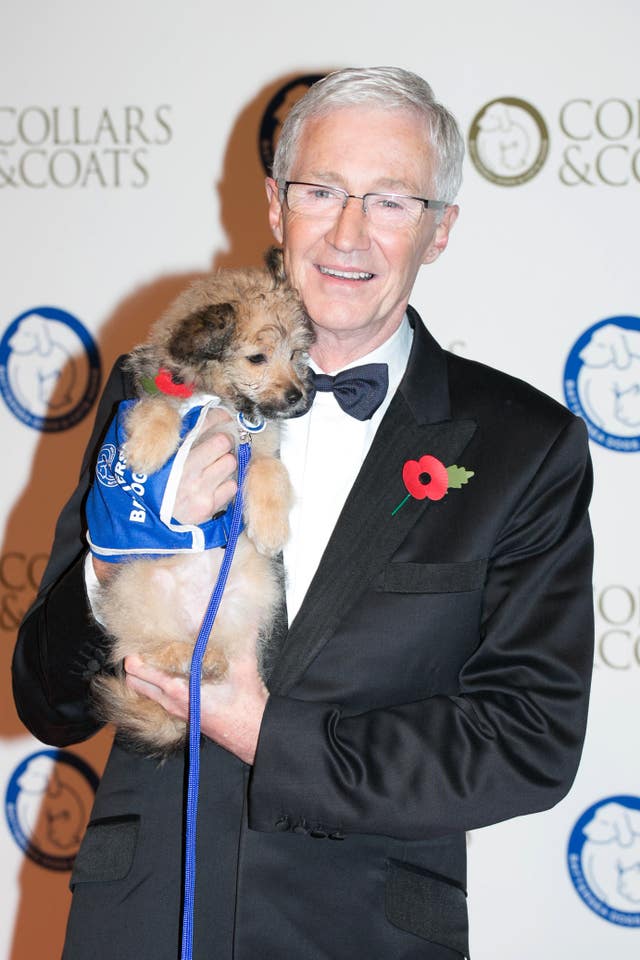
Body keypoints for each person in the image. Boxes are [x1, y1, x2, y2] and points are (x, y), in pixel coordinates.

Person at [12, 66, 594, 960]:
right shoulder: (154, 385)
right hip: (142, 925)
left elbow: (527, 741)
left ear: (440, 231)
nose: (349, 232)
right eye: (322, 191)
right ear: (278, 207)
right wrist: (124, 554)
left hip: (362, 934)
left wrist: (265, 734)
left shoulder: (524, 446)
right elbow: (47, 703)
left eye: (392, 200)